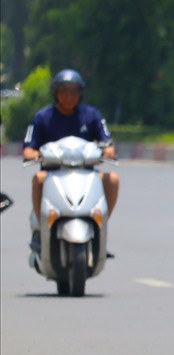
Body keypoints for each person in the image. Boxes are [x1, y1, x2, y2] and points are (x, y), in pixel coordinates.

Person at [22, 69, 119, 238]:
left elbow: (107, 141)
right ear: (55, 93)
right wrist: (32, 153)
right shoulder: (42, 117)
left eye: (73, 91)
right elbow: (29, 147)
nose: (69, 96)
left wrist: (108, 150)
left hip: (86, 173)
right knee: (38, 179)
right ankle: (42, 228)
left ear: (80, 93)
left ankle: (99, 227)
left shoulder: (91, 115)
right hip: (53, 172)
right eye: (63, 91)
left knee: (112, 180)